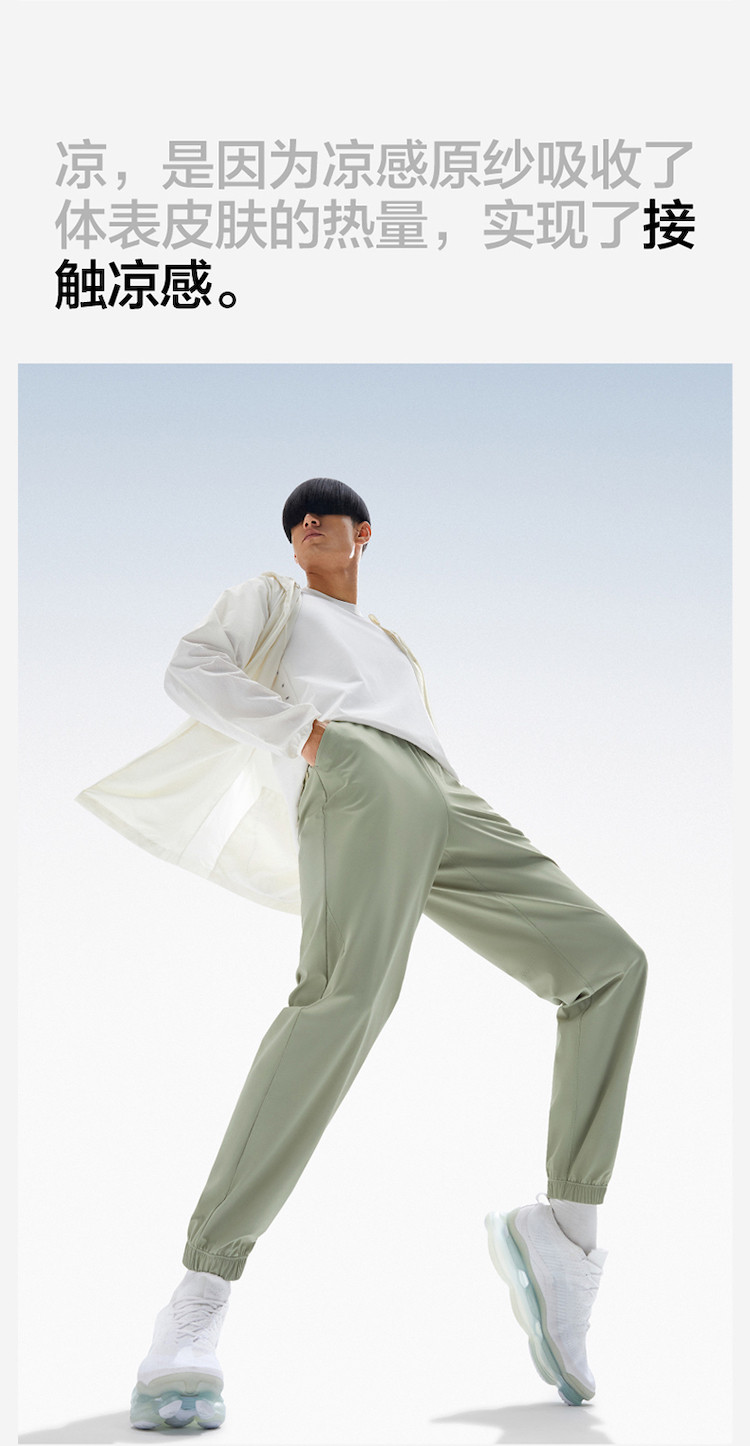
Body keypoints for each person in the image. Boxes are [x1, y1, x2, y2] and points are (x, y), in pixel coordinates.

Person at [77, 478, 647, 1429]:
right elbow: (193, 666)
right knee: (345, 1001)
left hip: (443, 792)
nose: (308, 521)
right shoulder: (273, 597)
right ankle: (197, 1301)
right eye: (297, 516)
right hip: (354, 769)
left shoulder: (389, 640)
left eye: (326, 512)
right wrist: (307, 737)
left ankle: (566, 1233)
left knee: (610, 967)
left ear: (363, 535)